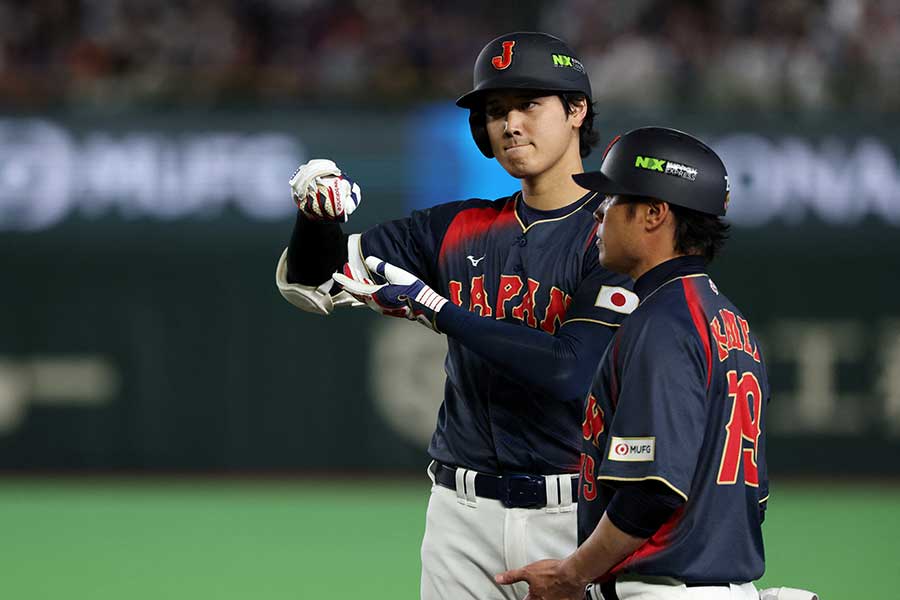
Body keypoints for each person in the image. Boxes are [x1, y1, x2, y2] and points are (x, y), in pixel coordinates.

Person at [275, 32, 637, 600]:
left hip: (576, 514)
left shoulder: (617, 232)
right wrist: (317, 218)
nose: (510, 123)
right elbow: (311, 281)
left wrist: (438, 310)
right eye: (495, 111)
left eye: (529, 104)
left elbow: (571, 372)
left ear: (576, 111)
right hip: (460, 515)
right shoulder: (453, 227)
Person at [495, 126, 780, 599]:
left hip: (667, 588)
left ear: (654, 213)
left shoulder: (664, 321)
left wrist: (572, 574)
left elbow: (652, 490)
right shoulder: (729, 321)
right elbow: (754, 501)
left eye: (612, 199)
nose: (598, 213)